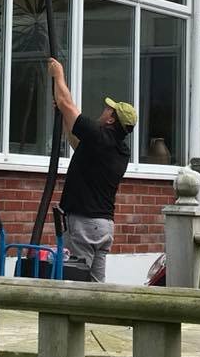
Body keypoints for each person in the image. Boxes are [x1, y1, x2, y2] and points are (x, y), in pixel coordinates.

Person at [47, 57, 137, 282]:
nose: (104, 110)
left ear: (111, 121)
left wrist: (58, 74)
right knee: (96, 287)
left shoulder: (99, 136)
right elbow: (77, 142)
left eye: (109, 110)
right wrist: (64, 114)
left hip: (84, 224)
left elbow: (67, 103)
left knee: (76, 282)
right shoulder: (121, 150)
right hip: (104, 226)